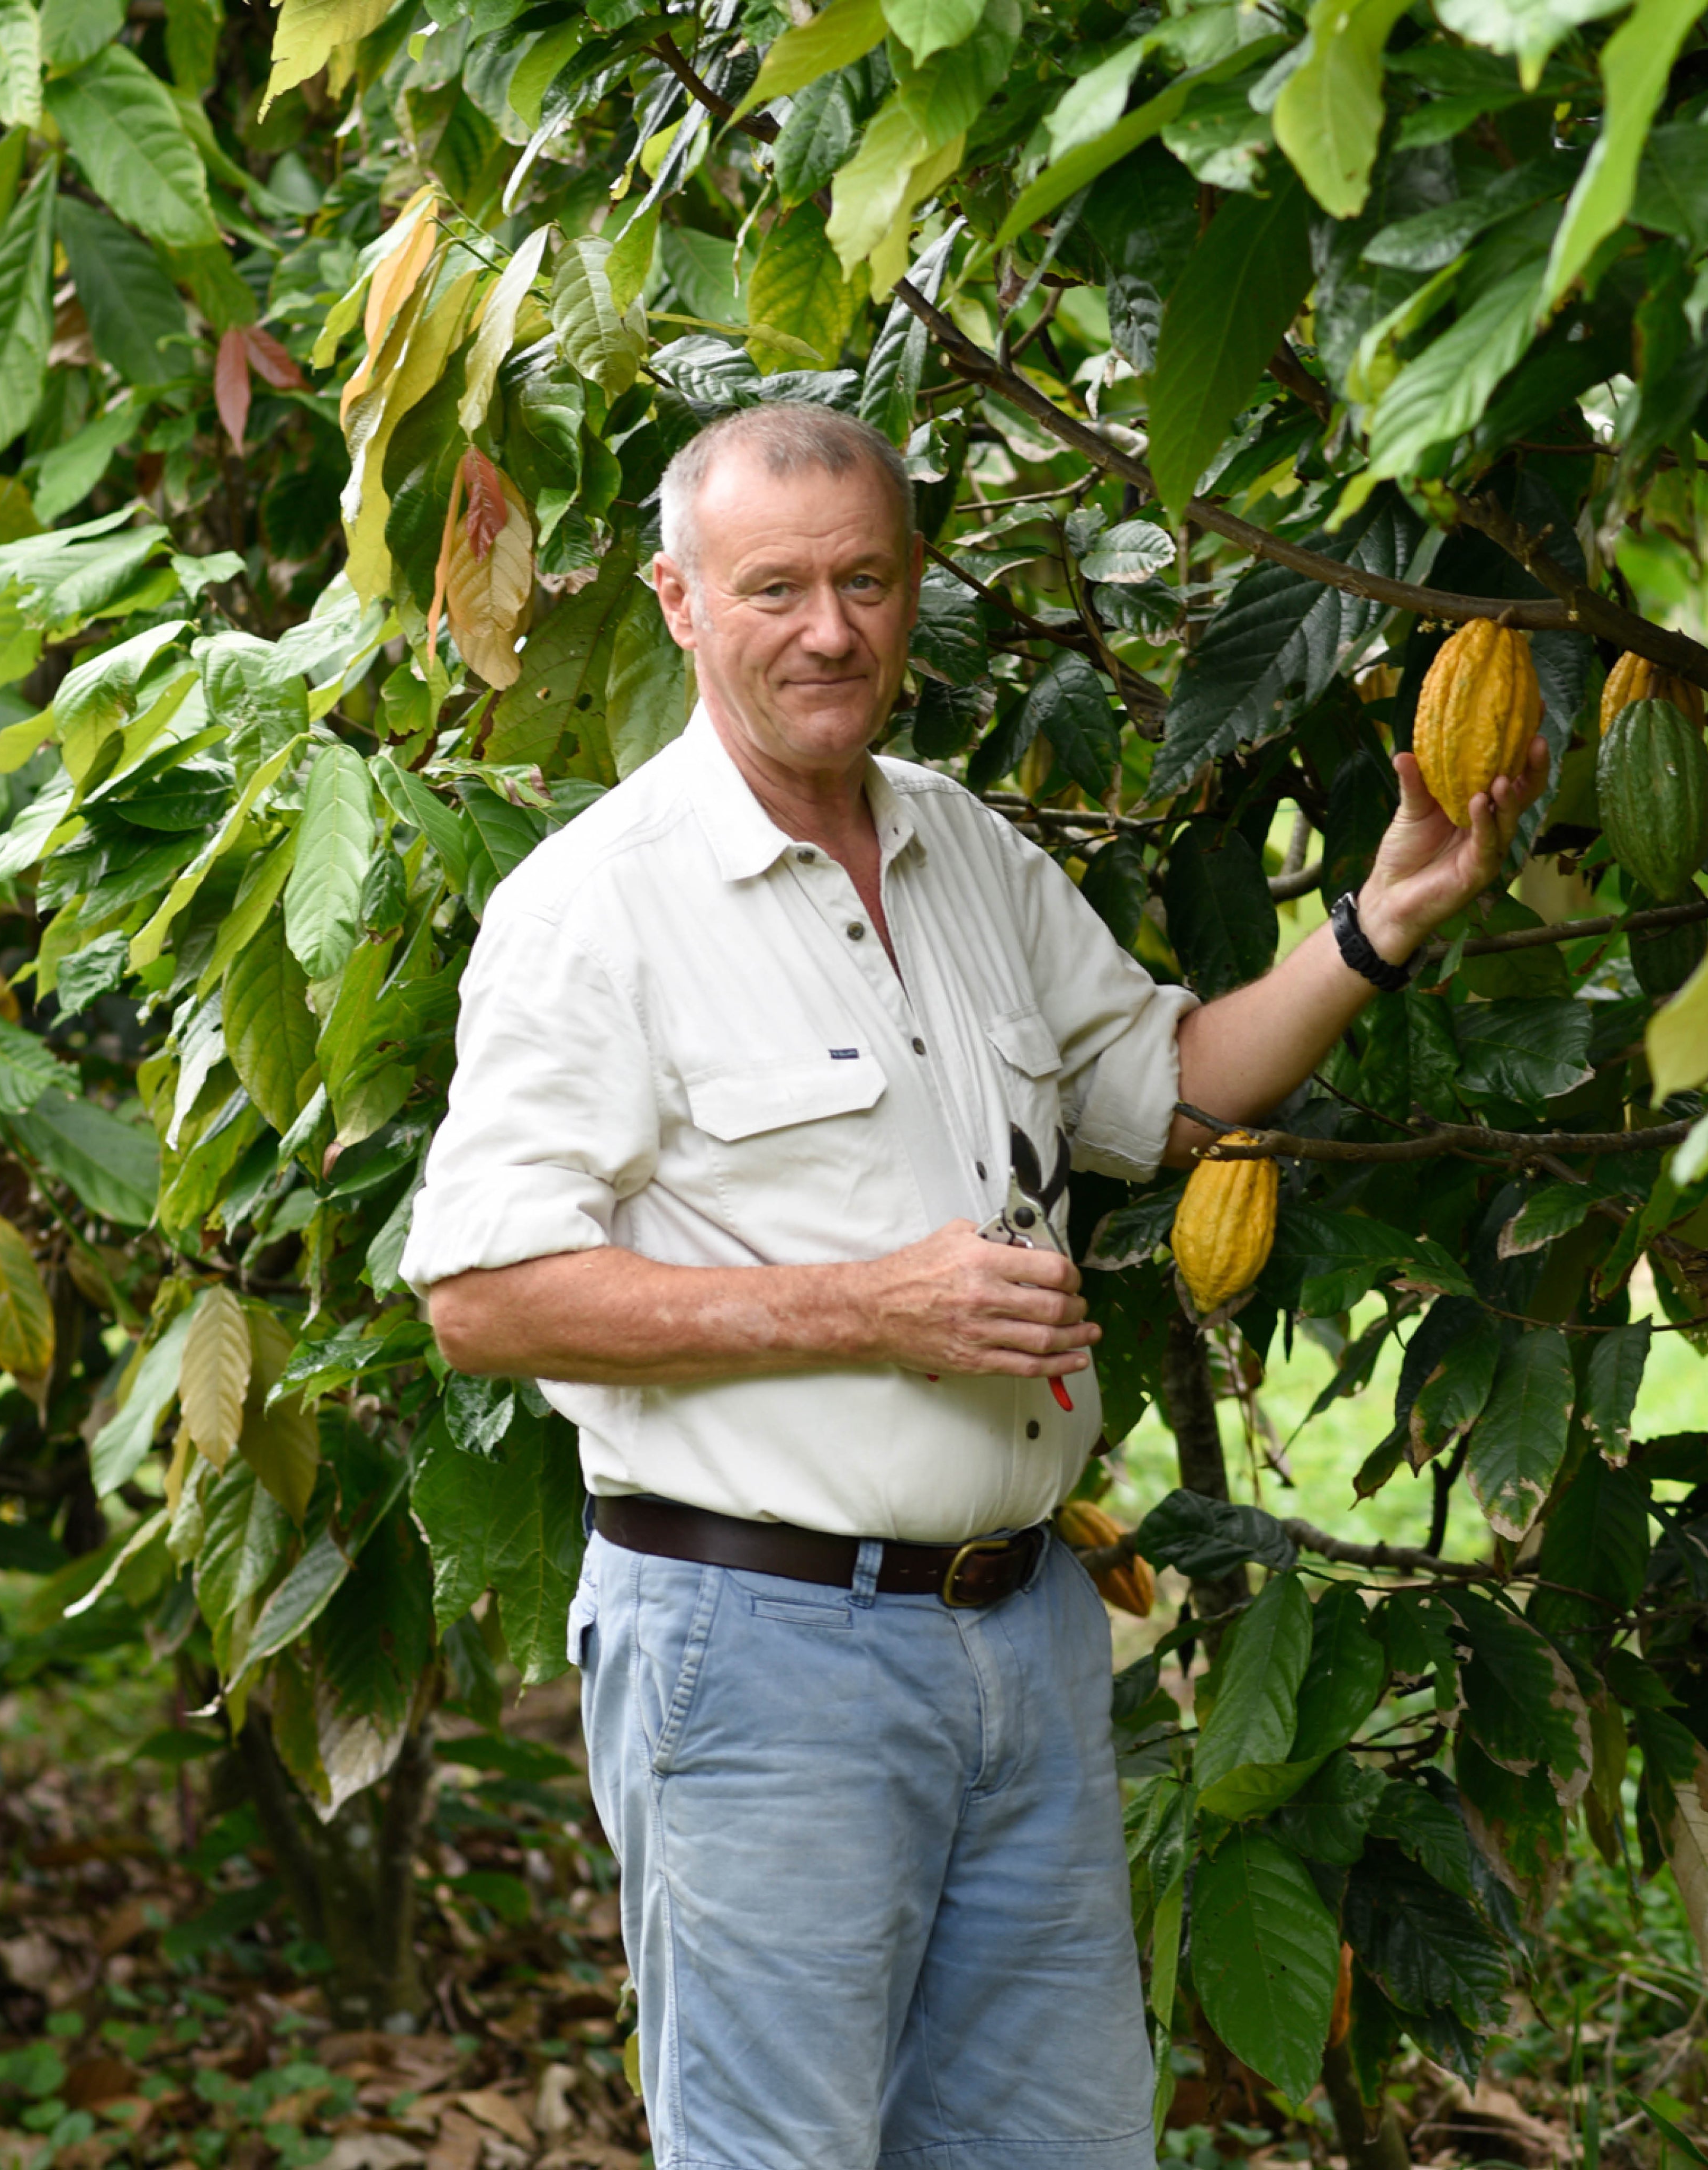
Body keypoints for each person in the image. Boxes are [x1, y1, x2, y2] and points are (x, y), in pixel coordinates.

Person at [402, 403, 1547, 2170]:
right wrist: (869, 1306)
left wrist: (1374, 926)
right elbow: (484, 1292)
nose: (827, 628)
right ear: (677, 601)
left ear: (912, 588)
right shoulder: (596, 909)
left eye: (863, 579)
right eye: (772, 585)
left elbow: (1167, 1086)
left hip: (1016, 1632)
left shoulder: (963, 852)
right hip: (760, 1646)